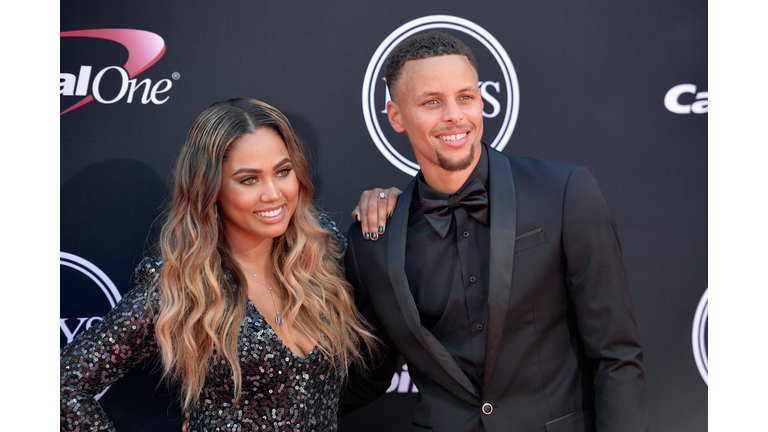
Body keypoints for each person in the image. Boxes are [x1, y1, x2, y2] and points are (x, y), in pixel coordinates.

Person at [340, 31, 650, 431]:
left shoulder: (563, 194)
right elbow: (369, 375)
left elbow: (617, 356)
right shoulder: (375, 239)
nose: (454, 115)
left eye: (466, 97)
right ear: (396, 116)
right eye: (431, 102)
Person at [60, 98, 397, 431]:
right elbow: (64, 386)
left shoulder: (325, 251)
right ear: (211, 188)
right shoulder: (182, 283)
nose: (273, 194)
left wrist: (395, 204)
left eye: (283, 171)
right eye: (249, 179)